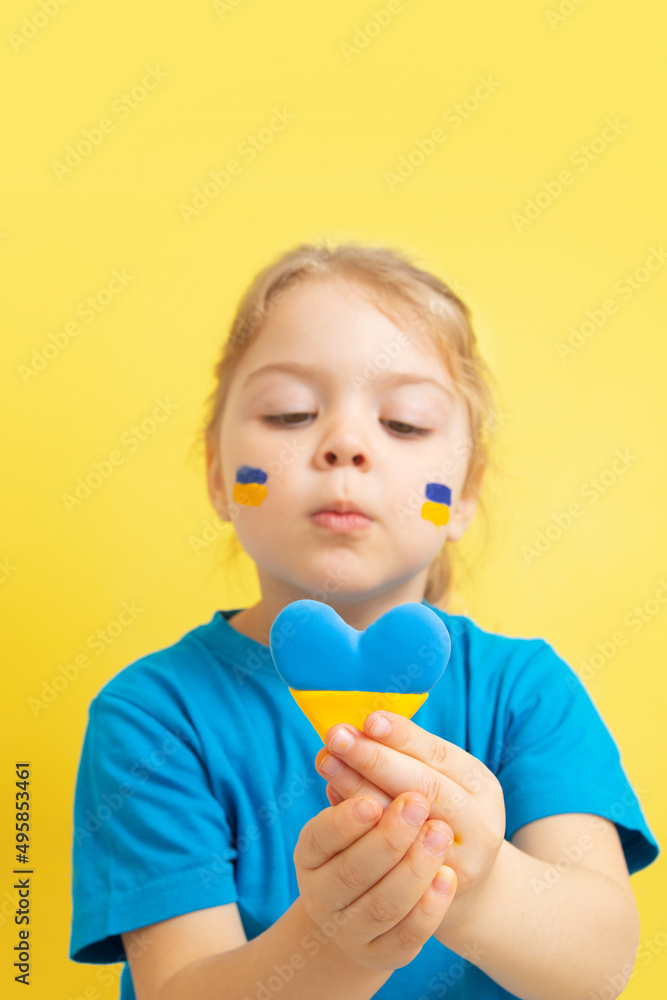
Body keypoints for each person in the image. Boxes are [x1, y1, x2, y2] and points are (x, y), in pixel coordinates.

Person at [69, 241, 659, 1000]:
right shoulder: (153, 716)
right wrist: (338, 942)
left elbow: (600, 966)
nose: (344, 444)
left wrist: (477, 886)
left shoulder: (526, 692)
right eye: (289, 413)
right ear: (220, 479)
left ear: (465, 492)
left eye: (404, 424)